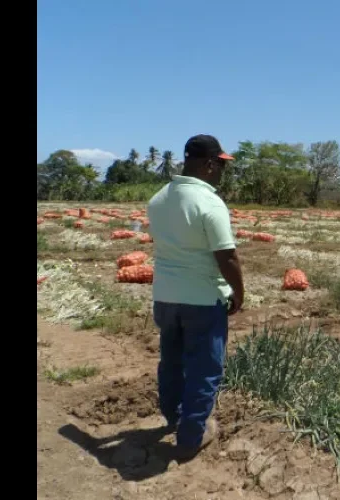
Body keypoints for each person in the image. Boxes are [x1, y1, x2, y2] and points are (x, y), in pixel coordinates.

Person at [146, 134, 245, 461]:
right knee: (205, 368)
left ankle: (174, 416)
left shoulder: (159, 198)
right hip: (202, 299)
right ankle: (191, 437)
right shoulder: (210, 202)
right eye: (220, 165)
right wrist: (239, 293)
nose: (221, 171)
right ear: (208, 164)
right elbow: (227, 257)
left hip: (165, 297)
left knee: (172, 360)